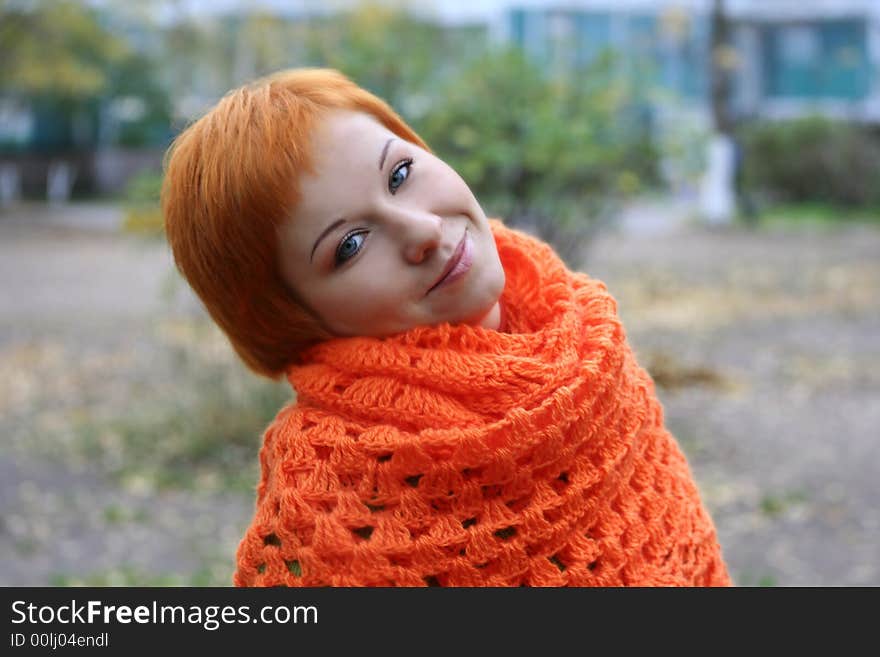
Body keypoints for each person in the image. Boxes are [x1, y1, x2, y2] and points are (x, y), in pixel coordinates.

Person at [161, 68, 731, 587]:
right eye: (350, 245)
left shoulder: (589, 352)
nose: (423, 231)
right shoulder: (336, 505)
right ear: (291, 315)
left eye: (400, 172)